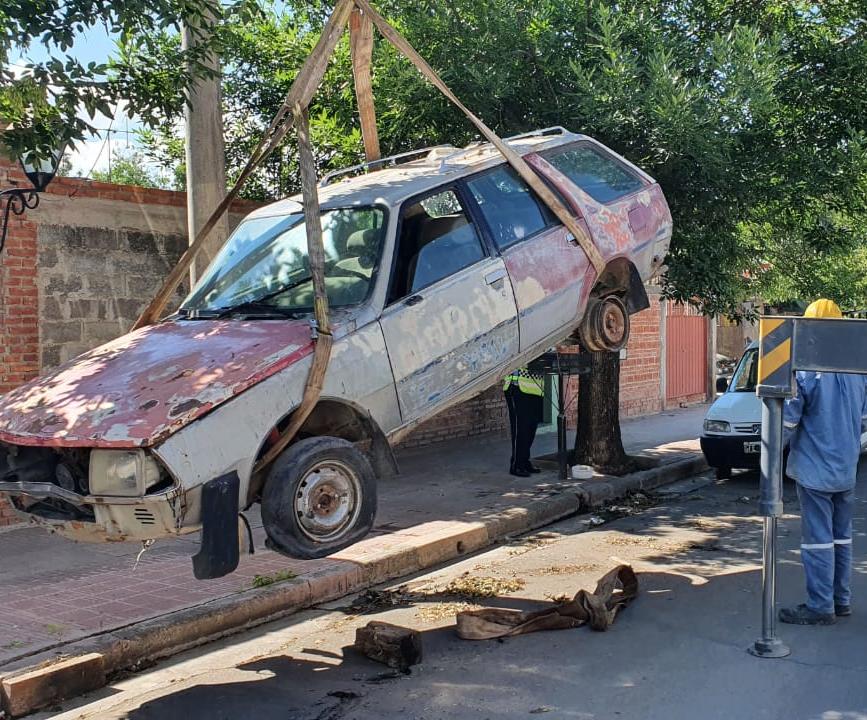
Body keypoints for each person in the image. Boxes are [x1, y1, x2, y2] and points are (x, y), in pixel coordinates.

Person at [779, 298, 867, 625]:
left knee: (817, 541)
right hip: (846, 468)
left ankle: (820, 607)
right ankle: (841, 600)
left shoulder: (807, 370)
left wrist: (768, 458)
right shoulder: (857, 370)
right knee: (842, 536)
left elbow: (788, 421)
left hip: (815, 471)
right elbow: (862, 419)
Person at [503, 366, 544, 477]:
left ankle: (524, 461)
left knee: (531, 428)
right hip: (518, 387)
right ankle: (516, 465)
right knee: (520, 429)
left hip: (535, 389)